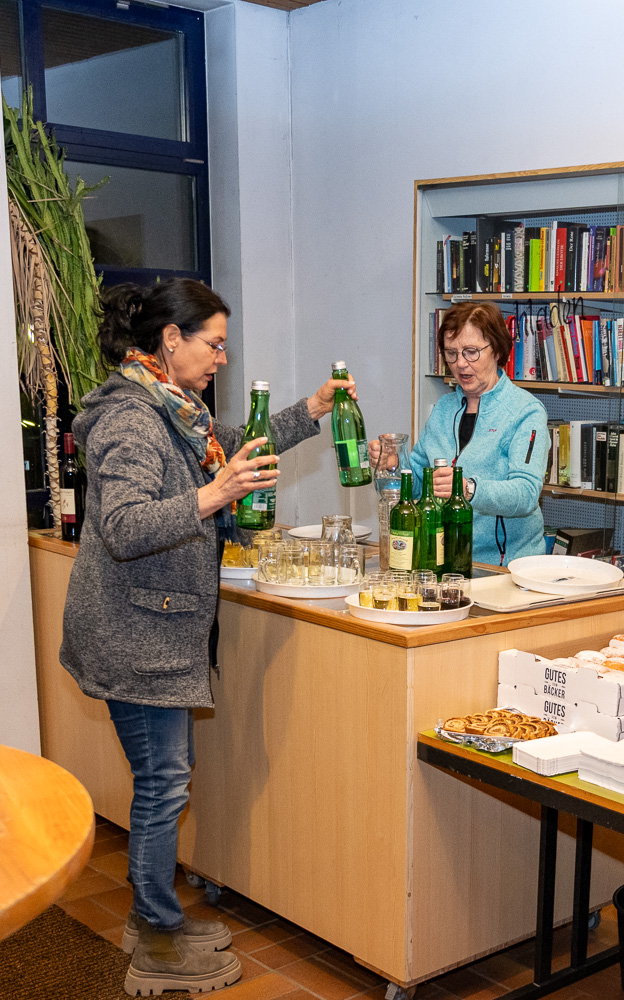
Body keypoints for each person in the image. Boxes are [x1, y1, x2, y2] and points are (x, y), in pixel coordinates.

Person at [59, 279, 355, 996]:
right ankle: (157, 943)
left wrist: (314, 409)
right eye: (214, 344)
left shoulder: (174, 407)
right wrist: (216, 494)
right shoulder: (130, 418)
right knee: (163, 788)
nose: (222, 357)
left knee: (164, 782)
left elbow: (235, 443)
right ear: (172, 339)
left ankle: (150, 921)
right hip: (135, 635)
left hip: (150, 628)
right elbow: (122, 526)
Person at [377, 301, 547, 565]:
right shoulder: (444, 408)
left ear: (497, 350)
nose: (460, 364)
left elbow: (525, 494)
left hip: (505, 568)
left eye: (471, 352)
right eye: (451, 353)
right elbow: (420, 485)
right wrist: (394, 465)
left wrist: (468, 489)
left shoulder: (525, 411)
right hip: (445, 562)